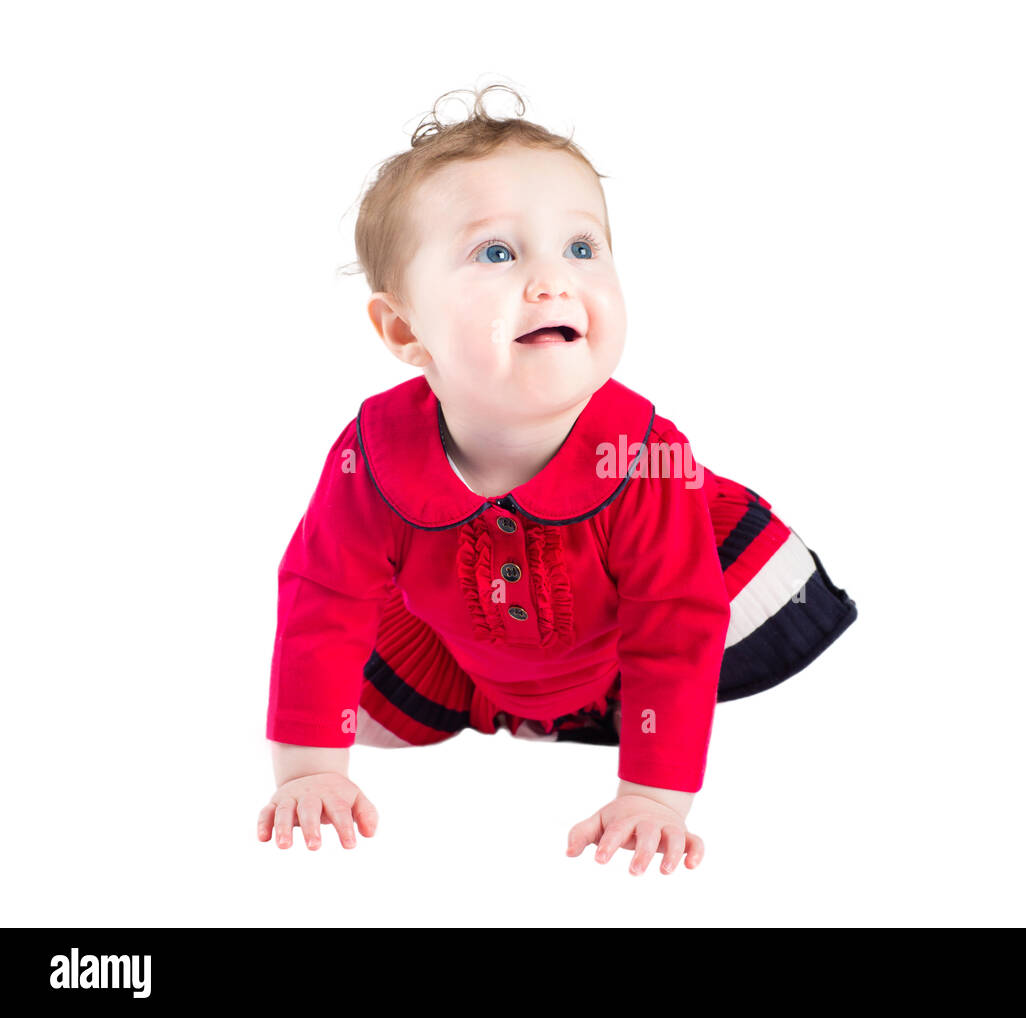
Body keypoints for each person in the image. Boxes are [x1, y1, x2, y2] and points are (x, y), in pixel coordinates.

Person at [255, 83, 857, 875]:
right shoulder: (371, 457)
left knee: (686, 637)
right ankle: (497, 711)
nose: (554, 280)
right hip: (470, 654)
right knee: (351, 685)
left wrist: (652, 796)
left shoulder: (646, 457)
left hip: (616, 658)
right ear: (404, 330)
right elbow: (323, 598)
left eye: (582, 248)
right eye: (497, 253)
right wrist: (309, 772)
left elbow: (676, 623)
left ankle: (600, 728)